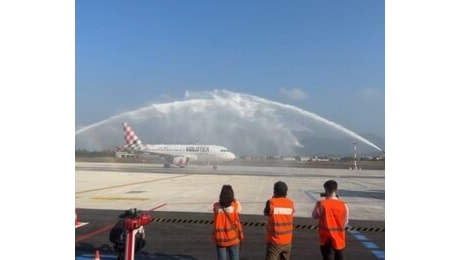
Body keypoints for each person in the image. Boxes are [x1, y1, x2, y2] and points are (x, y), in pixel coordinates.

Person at [312, 180, 349, 260]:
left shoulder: (320, 204)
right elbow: (345, 222)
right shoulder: (343, 205)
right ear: (336, 190)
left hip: (325, 237)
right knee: (339, 256)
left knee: (327, 256)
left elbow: (314, 216)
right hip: (338, 236)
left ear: (325, 190)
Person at [264, 181, 295, 260]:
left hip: (275, 241)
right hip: (287, 240)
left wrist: (273, 197)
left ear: (275, 191)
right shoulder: (290, 203)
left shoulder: (271, 202)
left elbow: (266, 212)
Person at [212, 184, 244, 260]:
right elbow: (239, 208)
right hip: (233, 237)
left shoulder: (216, 206)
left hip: (220, 238)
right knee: (235, 257)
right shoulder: (235, 206)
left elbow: (214, 208)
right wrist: (234, 199)